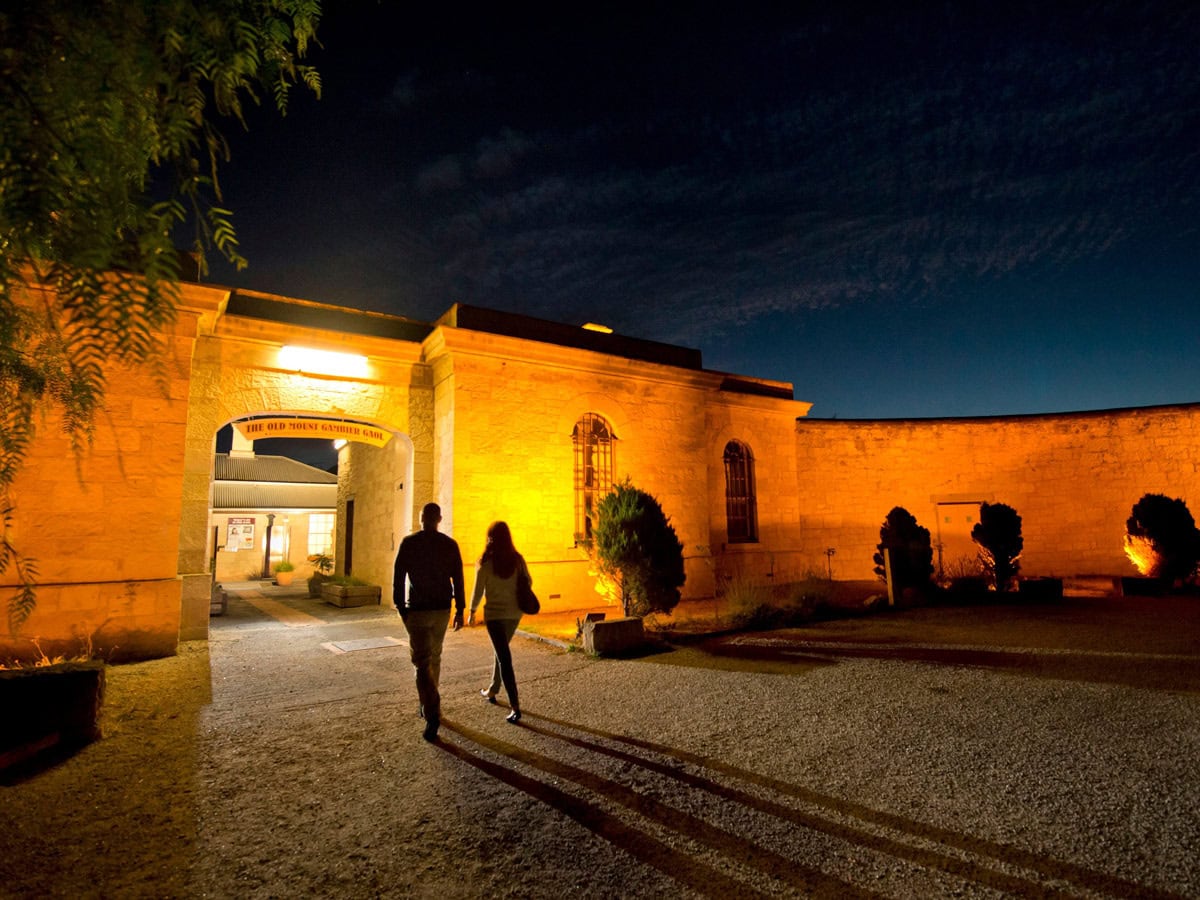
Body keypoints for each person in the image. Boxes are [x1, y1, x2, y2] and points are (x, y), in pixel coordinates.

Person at [393, 502, 465, 741]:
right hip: (442, 608)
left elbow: (398, 577)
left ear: (421, 518)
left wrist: (401, 607)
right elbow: (458, 578)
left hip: (419, 609)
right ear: (440, 519)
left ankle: (430, 707)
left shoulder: (409, 543)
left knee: (422, 662)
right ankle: (430, 703)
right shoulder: (449, 545)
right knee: (434, 656)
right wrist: (460, 608)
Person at [467, 521, 529, 724]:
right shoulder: (518, 560)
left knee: (504, 657)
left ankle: (515, 706)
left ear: (490, 538)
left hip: (494, 616)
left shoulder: (485, 562)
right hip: (514, 614)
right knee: (501, 651)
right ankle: (493, 690)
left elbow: (477, 590)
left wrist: (472, 611)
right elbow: (528, 581)